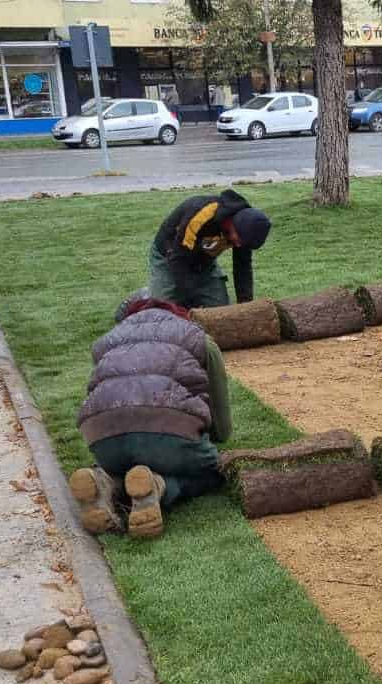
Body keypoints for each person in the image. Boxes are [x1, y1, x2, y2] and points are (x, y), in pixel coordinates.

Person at [69, 299, 232, 540]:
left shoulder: (106, 341)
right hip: (168, 430)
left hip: (103, 436)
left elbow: (99, 388)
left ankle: (105, 483)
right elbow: (221, 422)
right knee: (213, 472)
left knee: (125, 463)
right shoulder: (196, 336)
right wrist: (211, 441)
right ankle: (158, 486)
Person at [148, 189, 272, 309]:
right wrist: (191, 302)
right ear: (234, 224)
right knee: (165, 310)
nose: (238, 246)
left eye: (242, 243)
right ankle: (151, 292)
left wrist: (245, 305)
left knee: (220, 311)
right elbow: (178, 261)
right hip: (170, 256)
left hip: (204, 261)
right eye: (238, 241)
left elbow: (242, 267)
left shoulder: (246, 229)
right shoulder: (201, 215)